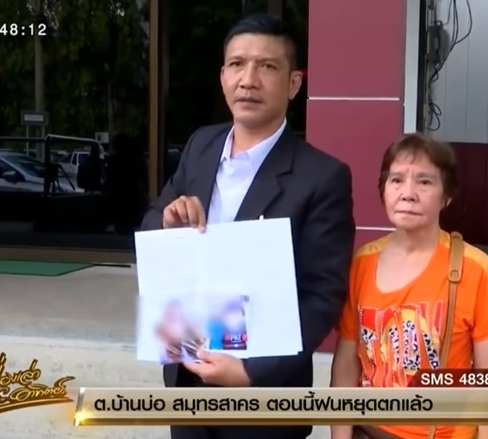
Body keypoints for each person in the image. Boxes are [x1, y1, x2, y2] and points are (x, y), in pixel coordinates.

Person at [139, 14, 355, 439]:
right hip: (188, 381)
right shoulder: (201, 146)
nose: (248, 80)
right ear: (223, 76)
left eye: (267, 66)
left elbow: (322, 295)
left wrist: (252, 371)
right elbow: (152, 225)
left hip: (264, 402)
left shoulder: (322, 177)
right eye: (237, 64)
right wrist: (167, 223)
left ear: (293, 83)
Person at [331, 134, 488, 439]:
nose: (408, 194)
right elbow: (347, 366)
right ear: (383, 190)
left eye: (425, 182)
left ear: (447, 196)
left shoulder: (473, 268)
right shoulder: (362, 263)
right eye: (397, 180)